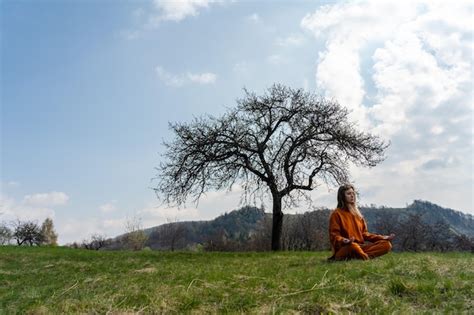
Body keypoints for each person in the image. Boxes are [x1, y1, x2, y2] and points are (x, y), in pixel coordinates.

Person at [328, 184, 395, 261]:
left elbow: (365, 234)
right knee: (353, 246)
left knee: (386, 245)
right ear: (342, 196)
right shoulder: (336, 214)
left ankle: (360, 256)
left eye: (353, 193)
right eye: (349, 194)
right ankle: (365, 258)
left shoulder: (358, 215)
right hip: (346, 248)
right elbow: (334, 236)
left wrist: (383, 237)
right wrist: (344, 240)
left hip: (361, 247)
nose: (352, 196)